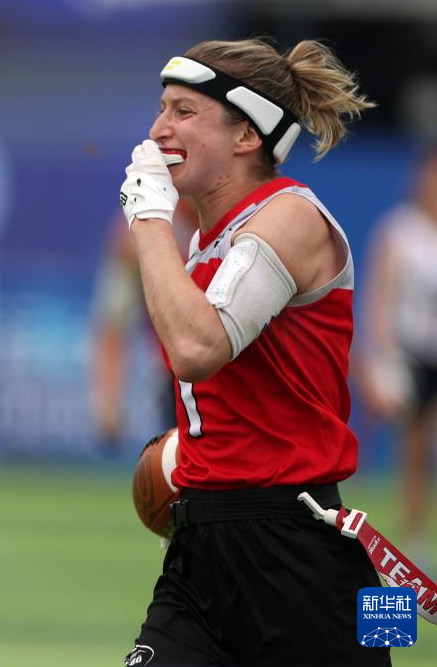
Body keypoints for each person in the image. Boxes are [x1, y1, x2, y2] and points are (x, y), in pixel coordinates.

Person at [116, 39, 385, 666]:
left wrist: (149, 218)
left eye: (184, 111)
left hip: (298, 551)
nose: (158, 130)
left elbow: (197, 347)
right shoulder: (208, 243)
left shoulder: (290, 215)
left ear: (246, 134)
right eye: (162, 108)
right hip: (203, 546)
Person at [358, 144, 437, 567]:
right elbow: (380, 298)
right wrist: (384, 358)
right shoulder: (400, 231)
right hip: (411, 352)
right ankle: (414, 534)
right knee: (415, 445)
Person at [89, 201, 198, 455]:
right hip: (176, 382)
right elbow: (114, 321)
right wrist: (108, 398)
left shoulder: (244, 215)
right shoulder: (139, 229)